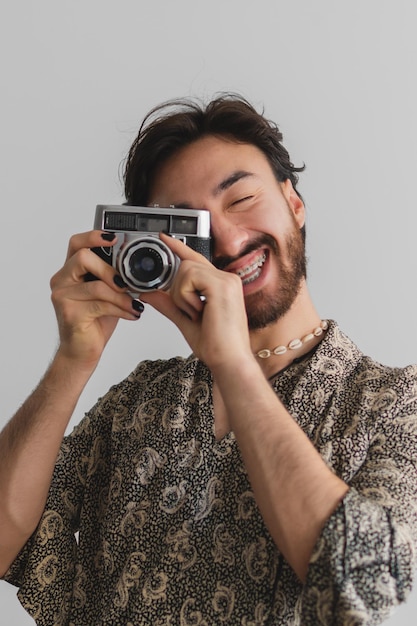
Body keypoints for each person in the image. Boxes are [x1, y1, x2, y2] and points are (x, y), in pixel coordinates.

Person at [1, 95, 417, 626]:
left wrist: (234, 363)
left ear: (293, 203)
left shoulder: (393, 403)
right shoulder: (140, 400)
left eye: (241, 198)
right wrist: (72, 361)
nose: (227, 239)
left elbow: (360, 579)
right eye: (188, 226)